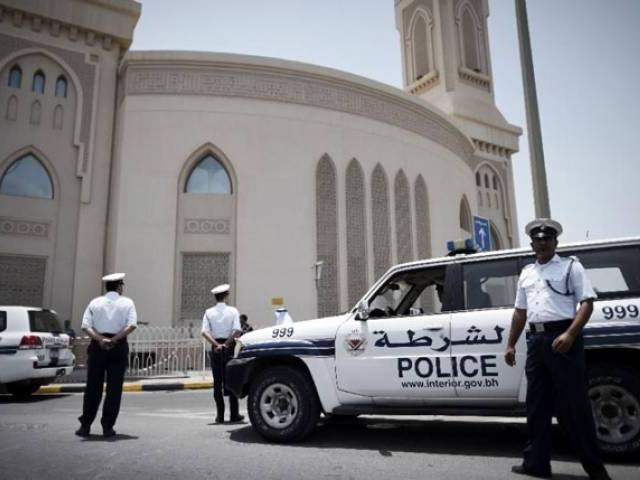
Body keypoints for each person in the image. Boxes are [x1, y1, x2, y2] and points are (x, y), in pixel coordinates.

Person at [504, 219, 610, 480]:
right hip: (536, 343)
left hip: (563, 340)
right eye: (538, 239)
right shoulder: (527, 272)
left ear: (555, 242)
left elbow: (586, 302)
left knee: (575, 406)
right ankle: (536, 463)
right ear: (532, 244)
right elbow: (520, 312)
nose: (542, 243)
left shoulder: (570, 267)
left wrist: (570, 334)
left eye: (547, 239)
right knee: (536, 406)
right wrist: (510, 344)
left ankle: (596, 469)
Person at [76, 273, 137, 438]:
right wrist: (114, 339)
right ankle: (107, 427)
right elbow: (131, 325)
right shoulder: (127, 303)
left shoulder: (94, 302)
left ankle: (85, 425)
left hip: (97, 347)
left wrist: (100, 339)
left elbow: (85, 326)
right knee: (114, 389)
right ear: (119, 287)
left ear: (106, 287)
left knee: (92, 387)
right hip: (118, 347)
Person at [201, 284, 243, 423]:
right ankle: (234, 414)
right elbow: (237, 330)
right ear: (226, 296)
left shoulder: (208, 312)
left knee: (217, 381)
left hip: (215, 347)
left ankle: (220, 415)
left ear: (215, 297)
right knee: (231, 378)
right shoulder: (233, 311)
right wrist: (226, 344)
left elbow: (204, 332)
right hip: (229, 346)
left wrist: (216, 345)